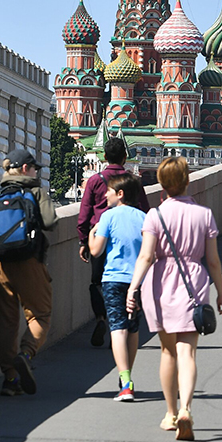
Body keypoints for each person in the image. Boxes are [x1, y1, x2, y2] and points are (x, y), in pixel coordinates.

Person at [126, 156, 222, 441]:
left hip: (160, 285)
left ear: (162, 184)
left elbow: (146, 256)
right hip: (193, 282)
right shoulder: (204, 215)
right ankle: (186, 408)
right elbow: (214, 261)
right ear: (187, 182)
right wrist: (220, 293)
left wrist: (133, 288)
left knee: (168, 351)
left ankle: (170, 414)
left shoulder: (154, 216)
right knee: (188, 351)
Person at [0, 148, 58, 397]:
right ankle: (25, 353)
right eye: (34, 168)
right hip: (29, 261)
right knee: (41, 315)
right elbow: (50, 222)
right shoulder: (35, 191)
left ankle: (10, 379)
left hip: (1, 265)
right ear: (25, 169)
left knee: (6, 322)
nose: (36, 172)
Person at [79, 137, 150, 347]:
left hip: (100, 236)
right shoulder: (133, 181)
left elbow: (84, 213)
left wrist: (84, 240)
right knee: (127, 282)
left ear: (105, 156)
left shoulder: (95, 180)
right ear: (125, 157)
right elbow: (144, 209)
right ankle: (119, 327)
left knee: (97, 282)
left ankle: (101, 318)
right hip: (128, 238)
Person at [87, 173, 146, 402]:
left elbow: (96, 251)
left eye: (109, 191)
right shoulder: (144, 217)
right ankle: (126, 378)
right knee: (132, 328)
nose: (105, 194)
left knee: (117, 328)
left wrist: (92, 233)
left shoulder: (108, 217)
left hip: (113, 278)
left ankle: (125, 380)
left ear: (120, 194)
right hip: (137, 281)